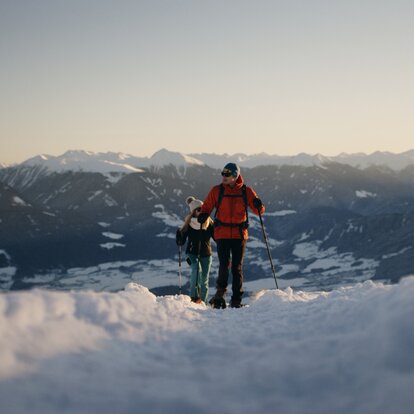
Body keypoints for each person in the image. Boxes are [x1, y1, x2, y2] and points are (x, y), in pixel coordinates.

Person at [197, 163, 265, 308]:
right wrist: (203, 214)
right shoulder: (217, 190)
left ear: (235, 176)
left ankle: (236, 300)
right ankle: (220, 295)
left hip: (240, 235)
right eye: (222, 173)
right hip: (222, 233)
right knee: (224, 265)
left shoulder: (247, 191)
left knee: (236, 267)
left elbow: (259, 211)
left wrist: (259, 205)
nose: (223, 176)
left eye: (227, 174)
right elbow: (207, 205)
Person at [176, 196, 214, 304]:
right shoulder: (189, 224)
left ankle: (203, 302)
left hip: (206, 254)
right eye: (198, 209)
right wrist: (179, 235)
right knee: (196, 270)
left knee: (204, 280)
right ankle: (193, 298)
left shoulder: (209, 223)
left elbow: (217, 237)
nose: (201, 211)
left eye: (202, 209)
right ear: (193, 212)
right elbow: (181, 242)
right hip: (192, 253)